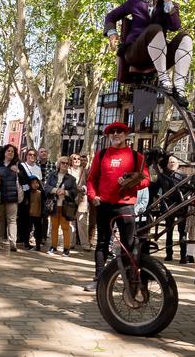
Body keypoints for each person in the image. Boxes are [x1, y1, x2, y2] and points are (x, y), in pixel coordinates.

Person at [104, 0, 194, 107]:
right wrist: (112, 33)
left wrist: (168, 3)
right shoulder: (134, 2)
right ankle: (164, 80)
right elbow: (110, 16)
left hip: (158, 56)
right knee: (155, 28)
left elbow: (175, 27)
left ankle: (180, 88)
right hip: (135, 53)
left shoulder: (170, 6)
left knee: (185, 37)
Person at [84, 122, 149, 292]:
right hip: (104, 205)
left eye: (119, 131)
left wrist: (130, 182)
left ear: (126, 135)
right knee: (102, 243)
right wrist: (92, 196)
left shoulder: (136, 156)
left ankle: (129, 282)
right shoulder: (101, 154)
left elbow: (146, 179)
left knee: (128, 244)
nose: (115, 134)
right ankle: (99, 280)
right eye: (111, 132)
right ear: (108, 136)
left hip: (125, 205)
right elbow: (91, 179)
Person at [45, 155, 78, 255]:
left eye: (67, 163)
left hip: (65, 206)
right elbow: (46, 187)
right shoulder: (52, 175)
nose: (65, 165)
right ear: (59, 164)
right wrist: (56, 190)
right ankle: (53, 247)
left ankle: (66, 249)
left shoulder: (72, 179)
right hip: (54, 205)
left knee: (65, 227)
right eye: (63, 163)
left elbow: (74, 192)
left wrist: (65, 192)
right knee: (54, 227)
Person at [157, 155, 187, 262]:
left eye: (174, 162)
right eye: (170, 162)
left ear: (178, 164)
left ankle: (183, 256)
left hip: (181, 207)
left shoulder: (183, 175)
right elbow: (156, 189)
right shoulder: (162, 176)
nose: (172, 163)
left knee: (182, 232)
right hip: (168, 207)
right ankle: (169, 254)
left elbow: (188, 190)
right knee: (169, 231)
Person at [0, 145, 21, 252]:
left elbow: (24, 180)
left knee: (12, 220)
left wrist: (18, 172)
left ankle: (13, 242)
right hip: (0, 196)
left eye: (12, 151)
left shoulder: (17, 166)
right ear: (4, 152)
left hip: (12, 197)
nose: (10, 153)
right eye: (8, 151)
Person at [18, 148, 44, 248]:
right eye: (30, 154)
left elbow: (40, 182)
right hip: (25, 194)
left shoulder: (38, 168)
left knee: (37, 222)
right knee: (25, 220)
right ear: (26, 155)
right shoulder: (22, 166)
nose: (32, 156)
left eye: (34, 155)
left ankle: (37, 243)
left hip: (36, 196)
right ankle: (24, 240)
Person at [70, 153, 92, 251]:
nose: (77, 160)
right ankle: (71, 243)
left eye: (78, 159)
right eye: (74, 159)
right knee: (71, 223)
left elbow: (90, 184)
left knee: (82, 223)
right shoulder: (68, 170)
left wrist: (83, 188)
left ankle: (85, 245)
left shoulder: (85, 171)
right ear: (71, 161)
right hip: (70, 199)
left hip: (82, 199)